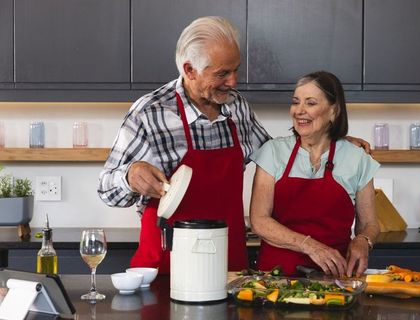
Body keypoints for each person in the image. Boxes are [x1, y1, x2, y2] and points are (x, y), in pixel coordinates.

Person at [97, 17, 370, 273]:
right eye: (222, 73)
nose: (233, 82)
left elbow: (276, 153)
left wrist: (335, 140)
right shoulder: (150, 112)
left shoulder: (236, 106)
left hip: (228, 263)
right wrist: (130, 176)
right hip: (169, 263)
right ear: (190, 70)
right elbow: (107, 189)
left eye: (235, 70)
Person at [249, 71, 380, 278]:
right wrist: (310, 246)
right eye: (295, 102)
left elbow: (370, 224)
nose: (299, 111)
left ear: (333, 111)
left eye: (310, 103)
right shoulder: (273, 151)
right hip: (277, 278)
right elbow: (259, 221)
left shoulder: (358, 158)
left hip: (334, 278)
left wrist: (364, 240)